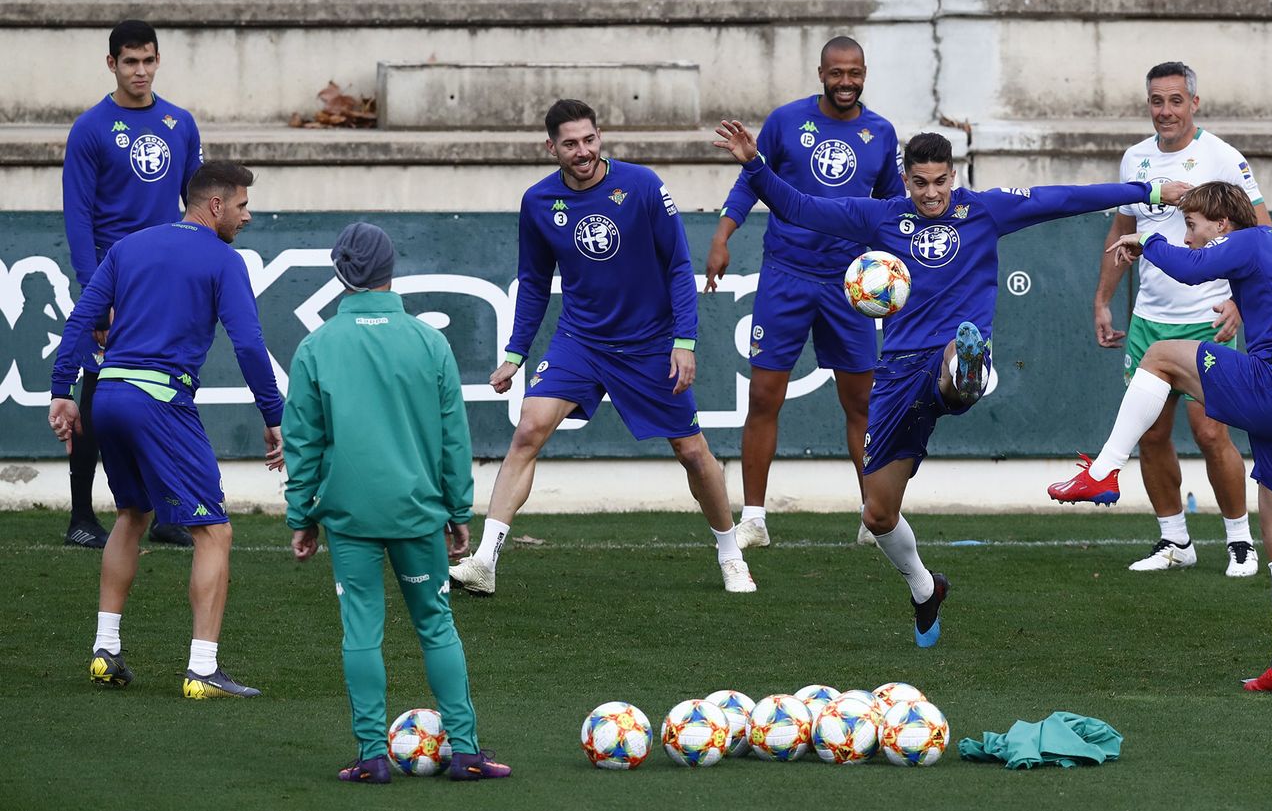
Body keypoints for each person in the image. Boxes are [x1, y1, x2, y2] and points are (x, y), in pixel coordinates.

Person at [715, 121, 1184, 647]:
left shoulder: (984, 210)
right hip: (897, 373)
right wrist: (754, 164)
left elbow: (1065, 198)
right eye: (920, 182)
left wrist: (1150, 190)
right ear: (905, 180)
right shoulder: (881, 216)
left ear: (953, 176)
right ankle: (925, 588)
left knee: (956, 364)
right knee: (878, 512)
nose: (931, 193)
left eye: (940, 181)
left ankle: (968, 367)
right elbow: (800, 208)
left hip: (948, 357)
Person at [1050, 182, 1272, 693]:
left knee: (1160, 355)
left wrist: (1148, 241)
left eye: (1191, 225)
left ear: (1223, 225)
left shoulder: (1249, 240)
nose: (1187, 237)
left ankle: (1103, 472)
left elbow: (1190, 270)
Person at [449, 99, 755, 596]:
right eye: (570, 144)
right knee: (528, 429)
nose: (583, 151)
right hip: (581, 340)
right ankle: (485, 561)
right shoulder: (538, 202)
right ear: (551, 148)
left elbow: (679, 265)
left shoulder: (642, 185)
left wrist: (684, 341)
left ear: (600, 137)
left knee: (692, 452)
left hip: (648, 342)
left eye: (589, 140)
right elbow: (533, 281)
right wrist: (515, 354)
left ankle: (730, 554)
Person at [284, 223, 510, 783]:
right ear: (391, 269)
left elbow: (302, 441)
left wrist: (302, 515)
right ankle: (466, 752)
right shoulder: (428, 341)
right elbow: (453, 436)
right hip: (416, 511)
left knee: (361, 631)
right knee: (436, 624)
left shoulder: (316, 346)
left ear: (340, 272)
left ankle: (370, 757)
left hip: (349, 515)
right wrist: (458, 510)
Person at [48, 161, 283, 699]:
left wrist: (62, 389)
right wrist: (273, 415)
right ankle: (203, 668)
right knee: (214, 532)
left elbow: (83, 317)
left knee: (131, 515)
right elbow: (249, 344)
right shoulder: (223, 259)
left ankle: (105, 651)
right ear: (216, 206)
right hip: (159, 400)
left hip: (107, 396)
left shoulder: (128, 246)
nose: (248, 215)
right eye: (243, 205)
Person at [705, 36, 903, 550]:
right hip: (786, 276)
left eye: (854, 73)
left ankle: (873, 516)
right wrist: (723, 236)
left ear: (865, 74)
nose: (846, 82)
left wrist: (900, 268)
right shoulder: (786, 121)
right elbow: (751, 181)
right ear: (821, 74)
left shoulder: (882, 133)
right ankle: (754, 518)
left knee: (861, 402)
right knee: (763, 396)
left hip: (851, 284)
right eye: (836, 73)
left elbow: (894, 207)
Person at [1075, 61, 1271, 577]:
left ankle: (1240, 541)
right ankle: (1175, 540)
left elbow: (1264, 234)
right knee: (1151, 435)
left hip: (1208, 318)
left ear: (1194, 103)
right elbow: (1120, 231)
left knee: (1210, 434)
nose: (1166, 111)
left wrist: (1241, 302)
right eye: (1157, 101)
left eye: (1176, 100)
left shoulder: (1223, 157)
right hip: (1150, 321)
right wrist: (1103, 300)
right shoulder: (1134, 158)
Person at [61, 19, 205, 549]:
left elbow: (195, 204)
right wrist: (96, 298)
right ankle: (81, 516)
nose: (140, 71)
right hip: (114, 282)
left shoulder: (180, 123)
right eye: (129, 62)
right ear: (112, 64)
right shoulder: (90, 129)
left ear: (158, 60)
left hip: (165, 281)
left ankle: (167, 513)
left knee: (166, 389)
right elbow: (78, 218)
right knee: (97, 392)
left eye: (148, 60)